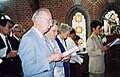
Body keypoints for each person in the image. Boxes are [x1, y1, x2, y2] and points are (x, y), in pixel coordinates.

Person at [18, 8, 63, 77]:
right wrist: (50, 58)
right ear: (38, 20)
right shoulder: (28, 38)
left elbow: (51, 63)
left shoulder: (44, 37)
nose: (51, 24)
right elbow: (28, 70)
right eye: (48, 20)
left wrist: (62, 59)